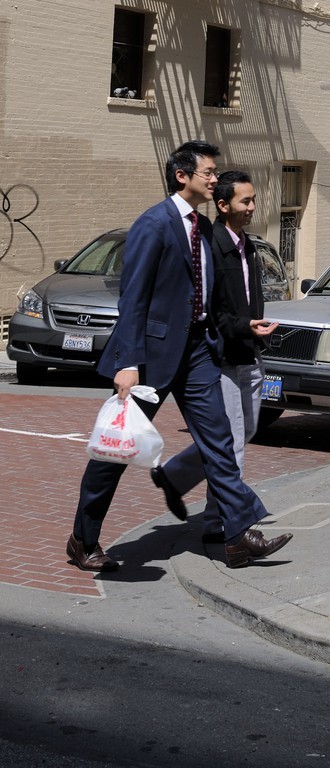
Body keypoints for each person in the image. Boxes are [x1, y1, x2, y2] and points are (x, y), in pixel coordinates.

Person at [67, 141, 292, 573]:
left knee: (219, 441)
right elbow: (133, 298)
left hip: (198, 352)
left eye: (214, 172)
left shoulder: (204, 229)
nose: (214, 178)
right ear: (182, 176)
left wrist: (241, 325)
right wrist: (128, 362)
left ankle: (236, 535)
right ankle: (83, 539)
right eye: (207, 172)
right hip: (151, 357)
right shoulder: (154, 225)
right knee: (115, 452)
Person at [151, 170, 275, 542]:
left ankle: (175, 475)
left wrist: (255, 334)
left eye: (253, 199)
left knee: (245, 431)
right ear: (223, 206)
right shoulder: (211, 246)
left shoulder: (248, 246)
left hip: (249, 354)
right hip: (220, 358)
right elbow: (210, 309)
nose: (252, 207)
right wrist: (243, 327)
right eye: (245, 201)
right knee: (231, 443)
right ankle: (220, 524)